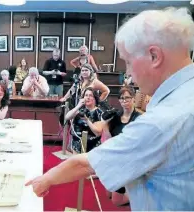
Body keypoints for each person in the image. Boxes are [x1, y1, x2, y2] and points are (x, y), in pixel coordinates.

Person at [26, 7, 194, 210]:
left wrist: (45, 180)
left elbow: (86, 163)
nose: (129, 72)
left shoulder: (162, 121)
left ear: (154, 56)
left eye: (129, 62)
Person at [101, 86, 141, 206]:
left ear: (133, 99)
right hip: (115, 158)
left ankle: (136, 191)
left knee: (116, 201)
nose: (124, 101)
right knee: (107, 194)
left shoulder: (138, 118)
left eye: (127, 98)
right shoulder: (116, 117)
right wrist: (105, 123)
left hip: (129, 160)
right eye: (122, 99)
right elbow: (107, 138)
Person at [65, 88, 103, 153]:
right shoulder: (80, 109)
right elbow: (67, 117)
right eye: (86, 95)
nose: (87, 97)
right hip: (77, 144)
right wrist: (78, 106)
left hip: (91, 147)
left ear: (95, 98)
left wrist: (87, 120)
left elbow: (98, 133)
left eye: (90, 95)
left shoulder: (98, 113)